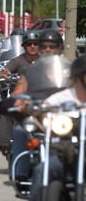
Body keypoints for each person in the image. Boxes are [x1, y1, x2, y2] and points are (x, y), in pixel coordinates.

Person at [4, 29, 65, 183]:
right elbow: (18, 93)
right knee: (20, 130)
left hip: (62, 116)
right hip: (39, 115)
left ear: (60, 48)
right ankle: (20, 174)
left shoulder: (68, 68)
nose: (48, 50)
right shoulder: (31, 70)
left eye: (53, 46)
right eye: (44, 46)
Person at [29, 55, 85, 201]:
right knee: (44, 169)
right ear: (78, 76)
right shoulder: (63, 97)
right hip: (65, 150)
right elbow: (44, 108)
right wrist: (43, 111)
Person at [0, 30, 39, 156]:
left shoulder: (45, 60)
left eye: (35, 43)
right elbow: (5, 70)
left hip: (39, 97)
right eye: (29, 44)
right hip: (20, 96)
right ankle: (5, 143)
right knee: (6, 110)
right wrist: (4, 74)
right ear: (24, 46)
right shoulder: (17, 61)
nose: (32, 46)